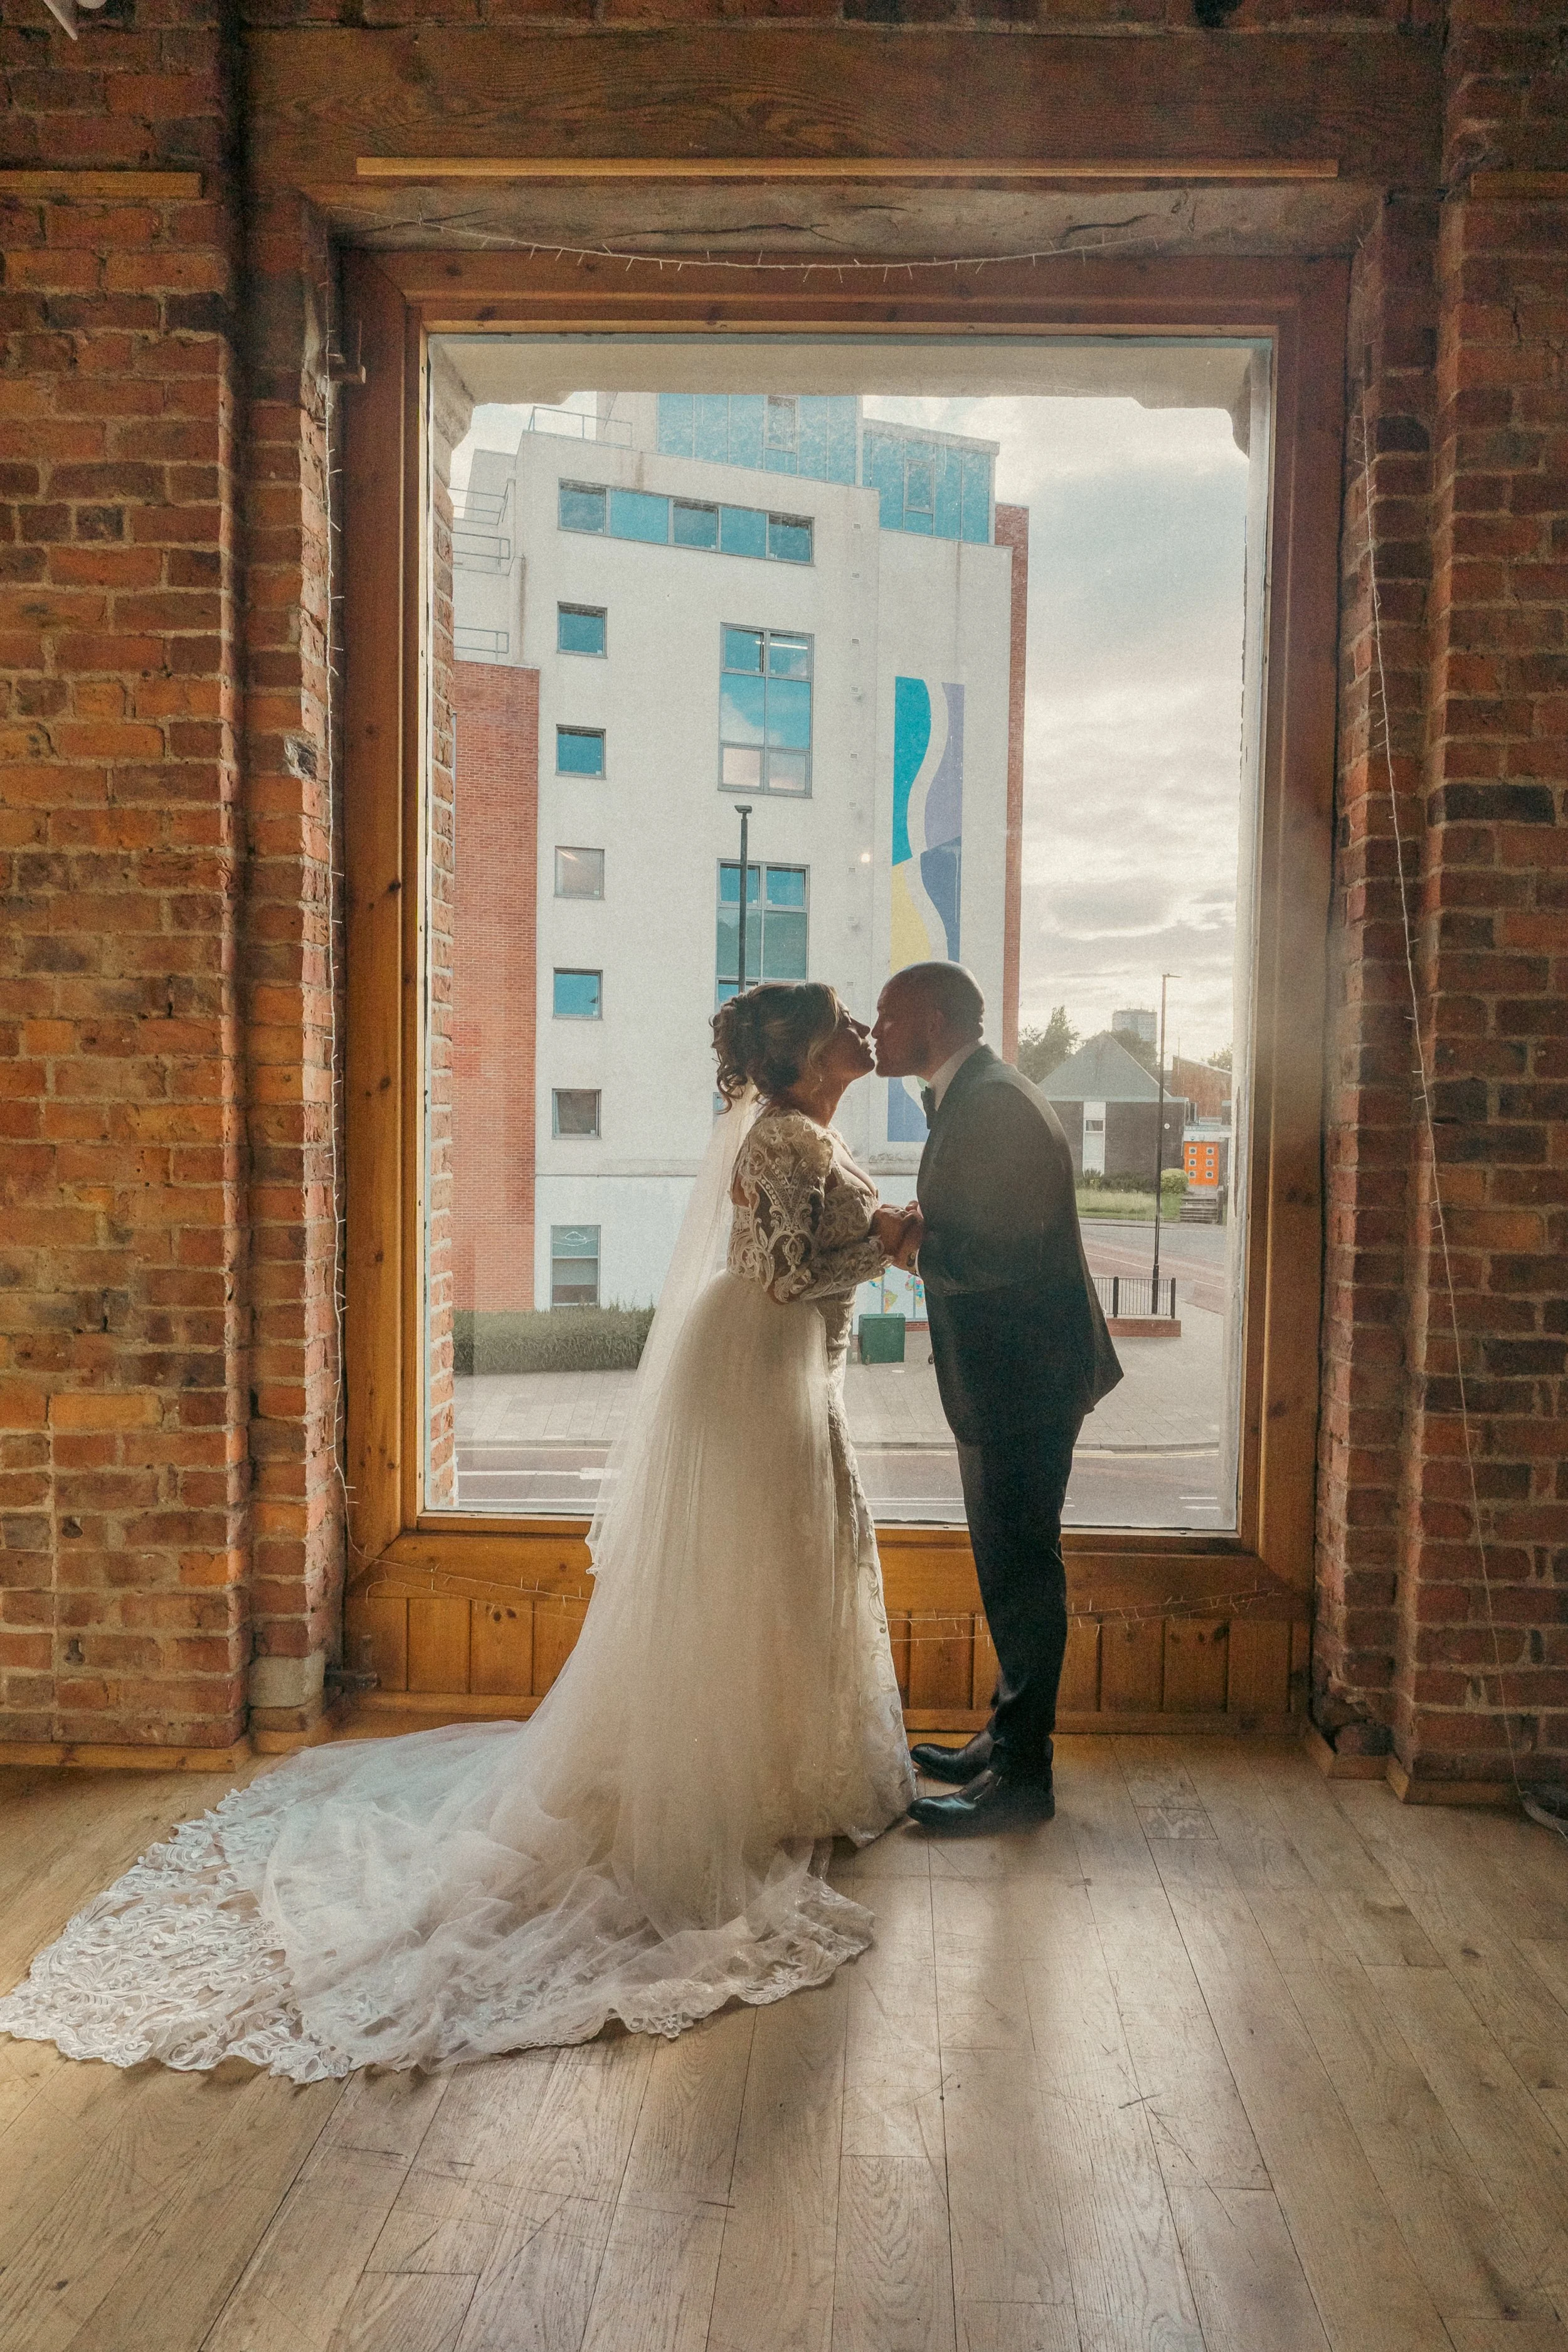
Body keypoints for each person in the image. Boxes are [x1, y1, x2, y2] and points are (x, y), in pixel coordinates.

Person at [0, 983, 918, 2082]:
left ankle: (785, 1769)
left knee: (793, 1565)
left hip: (786, 1373)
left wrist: (877, 1239)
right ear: (809, 1052)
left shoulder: (809, 1128)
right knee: (768, 1567)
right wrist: (891, 1242)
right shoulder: (780, 1137)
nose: (861, 1028)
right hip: (760, 1373)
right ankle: (744, 1785)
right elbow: (777, 1275)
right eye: (843, 1022)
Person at [872, 961, 1121, 1830]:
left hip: (1027, 1379)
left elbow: (1003, 1256)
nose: (876, 1033)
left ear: (934, 1017)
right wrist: (925, 1223)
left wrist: (906, 1249)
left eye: (888, 1016)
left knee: (1022, 1568)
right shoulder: (974, 1092)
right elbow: (982, 1220)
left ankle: (1023, 1779)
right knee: (1009, 1564)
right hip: (1013, 1377)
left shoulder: (994, 1104)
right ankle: (1005, 1736)